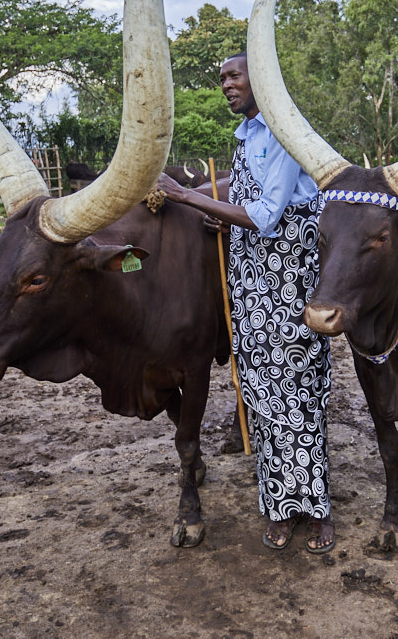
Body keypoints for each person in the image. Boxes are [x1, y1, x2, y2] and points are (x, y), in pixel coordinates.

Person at [158, 52, 335, 554]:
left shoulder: (283, 133)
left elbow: (263, 215)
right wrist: (223, 217)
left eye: (234, 76)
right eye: (222, 79)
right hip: (250, 278)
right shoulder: (246, 137)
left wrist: (185, 196)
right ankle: (280, 507)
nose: (226, 85)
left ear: (262, 80)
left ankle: (317, 509)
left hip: (288, 274)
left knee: (297, 388)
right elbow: (246, 209)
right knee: (260, 390)